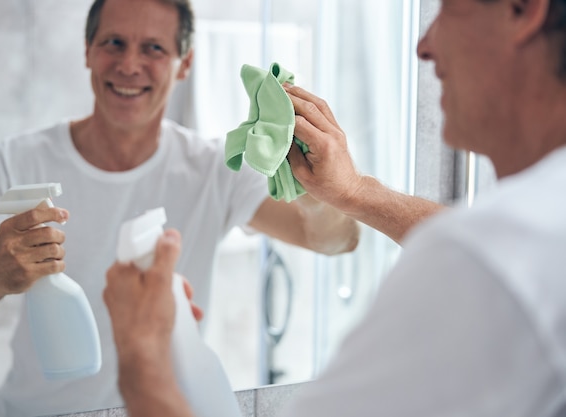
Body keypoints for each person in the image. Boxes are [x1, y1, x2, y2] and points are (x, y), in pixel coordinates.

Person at [104, 0, 566, 415]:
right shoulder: (530, 233)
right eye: (114, 43)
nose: (424, 45)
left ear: (523, 10)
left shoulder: (486, 257)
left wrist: (144, 357)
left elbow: (346, 240)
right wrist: (354, 191)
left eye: (448, 8)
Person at [0, 0, 374, 415]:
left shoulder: (214, 169)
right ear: (88, 50)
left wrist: (308, 182)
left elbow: (335, 239)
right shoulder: (15, 162)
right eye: (114, 42)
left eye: (153, 48)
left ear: (185, 64)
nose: (130, 65)